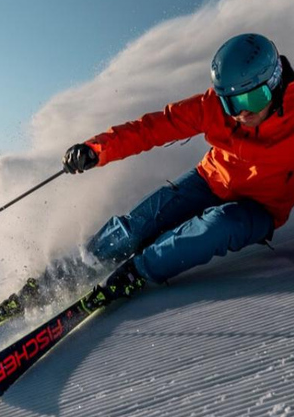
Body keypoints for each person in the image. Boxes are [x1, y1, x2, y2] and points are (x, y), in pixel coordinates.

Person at [52, 33, 294, 309]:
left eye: (252, 99)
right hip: (211, 180)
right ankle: (79, 266)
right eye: (231, 102)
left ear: (274, 83)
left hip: (260, 207)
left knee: (214, 227)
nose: (241, 113)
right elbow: (155, 127)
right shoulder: (212, 107)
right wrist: (97, 149)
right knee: (141, 225)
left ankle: (135, 272)